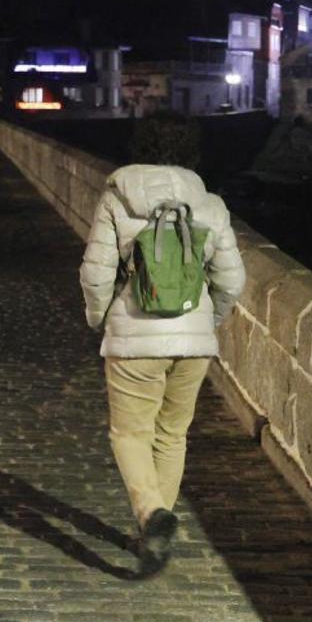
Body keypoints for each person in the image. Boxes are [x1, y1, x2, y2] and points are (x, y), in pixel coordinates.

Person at [80, 162, 245, 573]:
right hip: (194, 342)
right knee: (172, 434)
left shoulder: (117, 200)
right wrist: (207, 321)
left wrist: (99, 317)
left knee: (130, 433)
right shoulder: (210, 204)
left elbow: (95, 272)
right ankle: (155, 538)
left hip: (136, 338)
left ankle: (153, 515)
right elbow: (232, 279)